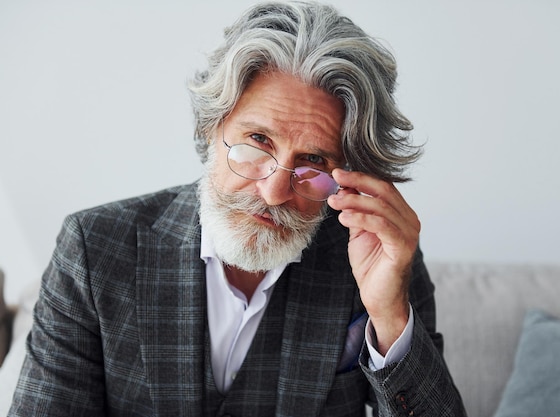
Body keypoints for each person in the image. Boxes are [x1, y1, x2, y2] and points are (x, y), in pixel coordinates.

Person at [9, 1, 466, 416]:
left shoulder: (376, 260)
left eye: (312, 162)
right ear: (212, 127)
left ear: (345, 174)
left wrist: (389, 316)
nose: (273, 192)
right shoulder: (94, 249)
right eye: (258, 141)